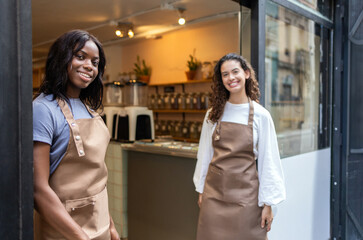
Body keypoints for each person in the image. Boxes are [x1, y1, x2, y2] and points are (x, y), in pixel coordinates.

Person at [33, 30, 119, 240]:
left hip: (99, 226)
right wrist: (79, 236)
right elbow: (38, 189)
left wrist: (111, 226)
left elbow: (97, 182)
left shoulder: (90, 111)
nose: (89, 66)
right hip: (62, 230)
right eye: (80, 57)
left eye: (95, 62)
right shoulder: (43, 109)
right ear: (61, 58)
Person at [193, 53, 286, 239]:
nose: (230, 78)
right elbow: (204, 155)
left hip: (247, 200)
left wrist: (268, 203)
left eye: (235, 72)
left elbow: (269, 161)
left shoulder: (261, 115)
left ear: (246, 74)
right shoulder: (213, 115)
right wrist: (201, 189)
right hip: (214, 197)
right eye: (225, 74)